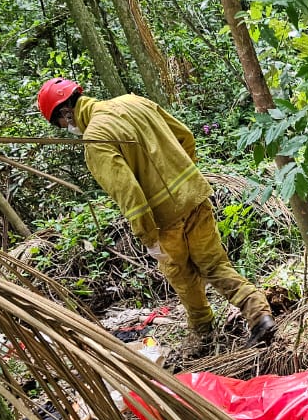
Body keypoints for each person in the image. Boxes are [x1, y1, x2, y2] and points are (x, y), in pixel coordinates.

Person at [37, 78, 276, 354]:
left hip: (165, 221)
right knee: (214, 264)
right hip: (195, 198)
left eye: (63, 124)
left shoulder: (96, 139)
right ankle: (260, 315)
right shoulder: (133, 101)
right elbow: (185, 135)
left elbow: (130, 195)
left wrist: (149, 238)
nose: (68, 129)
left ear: (65, 113)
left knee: (181, 274)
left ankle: (204, 335)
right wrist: (183, 181)